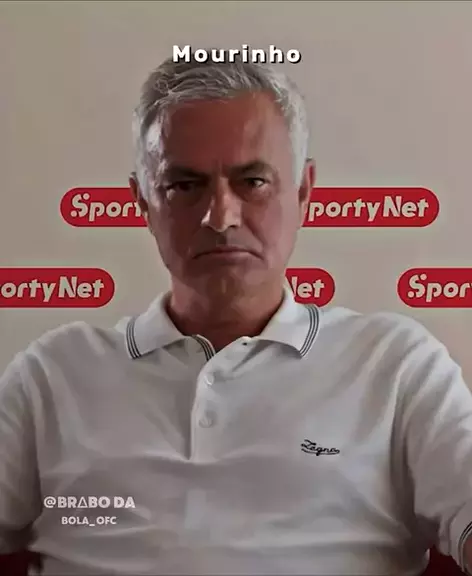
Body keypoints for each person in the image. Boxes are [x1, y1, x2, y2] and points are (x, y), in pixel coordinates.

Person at [1, 52, 472, 576]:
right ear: (143, 203)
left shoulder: (396, 366)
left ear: (304, 192)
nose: (220, 217)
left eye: (253, 182)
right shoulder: (53, 375)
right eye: (185, 185)